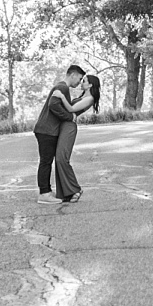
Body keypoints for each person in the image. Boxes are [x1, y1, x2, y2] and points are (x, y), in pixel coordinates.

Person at [33, 63, 94, 203]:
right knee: (46, 161)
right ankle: (44, 194)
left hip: (51, 129)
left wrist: (69, 116)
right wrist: (69, 117)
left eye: (82, 81)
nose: (79, 82)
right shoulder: (62, 87)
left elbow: (65, 107)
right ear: (72, 75)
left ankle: (52, 191)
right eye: (79, 79)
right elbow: (54, 105)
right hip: (47, 130)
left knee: (52, 160)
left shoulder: (63, 88)